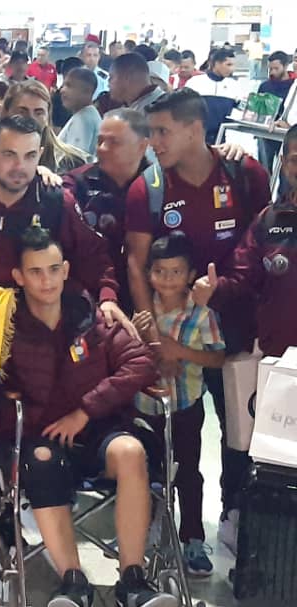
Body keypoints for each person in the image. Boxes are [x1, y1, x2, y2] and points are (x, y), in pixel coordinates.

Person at [129, 89, 271, 550]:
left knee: (239, 430)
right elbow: (136, 263)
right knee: (175, 434)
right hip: (171, 335)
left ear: (195, 129)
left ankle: (233, 513)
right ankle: (164, 520)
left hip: (236, 329)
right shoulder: (147, 188)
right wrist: (151, 336)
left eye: (163, 131)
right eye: (151, 132)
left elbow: (266, 241)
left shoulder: (245, 173)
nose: (154, 141)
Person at [0, 226, 168, 607]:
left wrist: (85, 410)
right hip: (42, 439)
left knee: (131, 451)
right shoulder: (6, 330)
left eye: (53, 269)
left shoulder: (92, 318)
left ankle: (133, 581)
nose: (46, 280)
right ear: (19, 277)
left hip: (98, 429)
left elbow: (140, 363)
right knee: (40, 461)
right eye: (36, 272)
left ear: (66, 270)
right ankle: (74, 584)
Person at [0, 115, 129, 332]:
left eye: (29, 156)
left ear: (39, 156)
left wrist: (108, 298)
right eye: (9, 155)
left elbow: (93, 255)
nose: (20, 166)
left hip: (33, 331)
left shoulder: (55, 201)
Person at [132, 232, 225, 577]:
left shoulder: (202, 315)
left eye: (176, 272)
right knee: (148, 471)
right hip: (144, 407)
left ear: (190, 275)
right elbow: (125, 359)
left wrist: (179, 351)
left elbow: (217, 359)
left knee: (188, 472)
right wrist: (146, 341)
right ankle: (150, 530)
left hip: (186, 406)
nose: (167, 279)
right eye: (159, 271)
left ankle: (193, 539)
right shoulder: (142, 312)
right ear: (149, 274)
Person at [196, 124, 297, 363]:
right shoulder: (268, 220)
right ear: (283, 163)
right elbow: (243, 278)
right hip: (280, 360)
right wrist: (215, 289)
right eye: (296, 160)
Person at [64, 109, 155, 310]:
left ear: (142, 146)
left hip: (149, 298)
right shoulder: (77, 184)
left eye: (114, 142)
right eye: (99, 141)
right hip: (90, 299)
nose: (102, 149)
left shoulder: (157, 186)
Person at [4, 80, 91, 172]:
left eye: (39, 113)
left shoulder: (70, 162)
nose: (31, 119)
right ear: (7, 113)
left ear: (47, 116)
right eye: (22, 112)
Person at [185, 48, 242, 144]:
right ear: (216, 64)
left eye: (233, 65)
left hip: (220, 139)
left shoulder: (234, 86)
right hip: (194, 138)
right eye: (228, 64)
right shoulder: (195, 83)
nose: (232, 69)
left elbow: (241, 111)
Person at [256, 51, 294, 169]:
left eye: (276, 68)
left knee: (286, 170)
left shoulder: (293, 86)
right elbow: (258, 111)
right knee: (264, 168)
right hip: (265, 133)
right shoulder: (265, 86)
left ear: (286, 66)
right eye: (270, 69)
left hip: (287, 133)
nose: (272, 72)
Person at [58, 68, 102, 156]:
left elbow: (75, 160)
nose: (62, 90)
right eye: (63, 85)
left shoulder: (84, 120)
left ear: (87, 91)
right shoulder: (86, 115)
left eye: (69, 86)